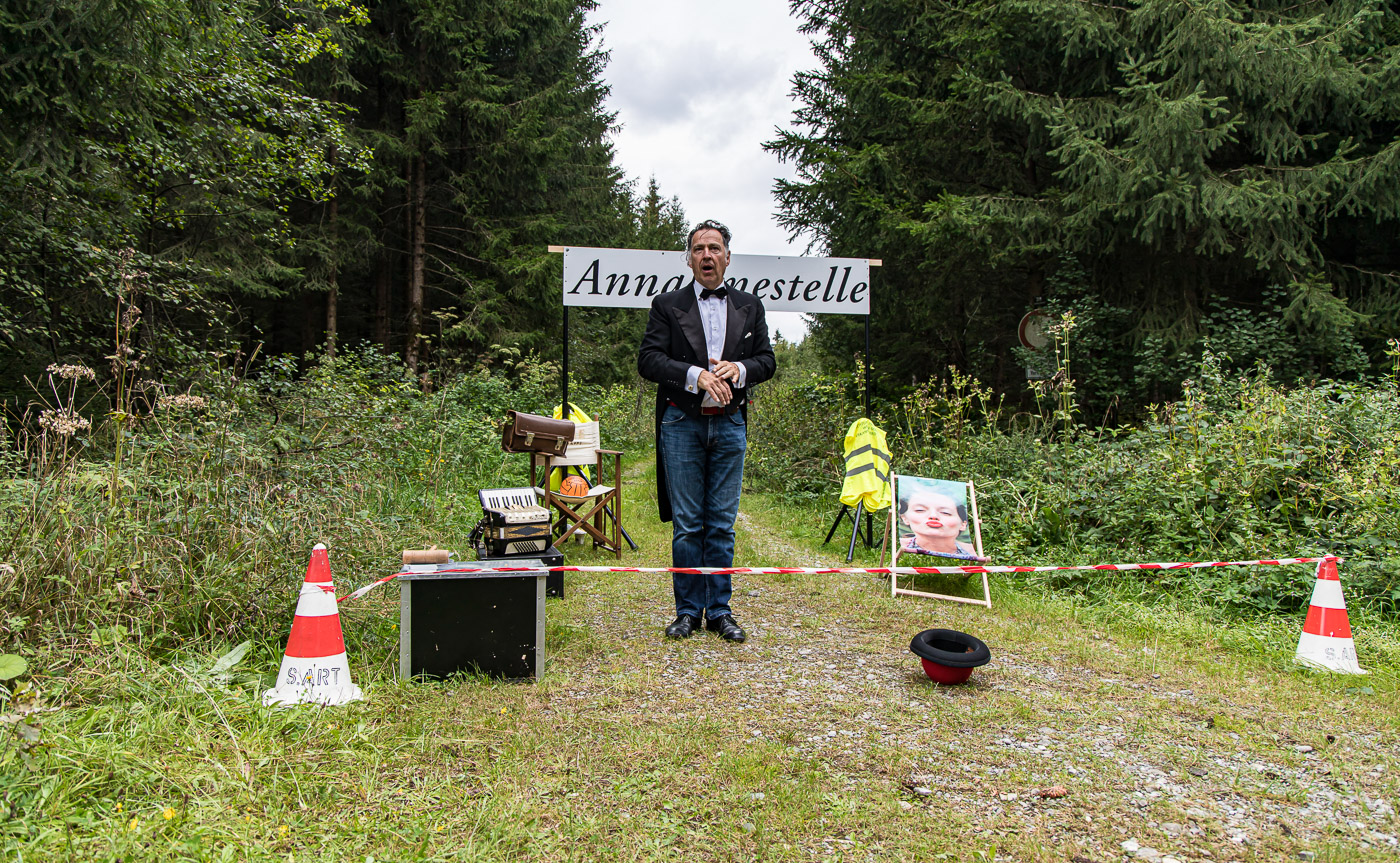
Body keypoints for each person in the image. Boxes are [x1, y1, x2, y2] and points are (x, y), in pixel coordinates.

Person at [637, 220, 776, 642]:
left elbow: (767, 361)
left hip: (730, 423)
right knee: (687, 524)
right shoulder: (667, 304)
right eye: (699, 249)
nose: (707, 255)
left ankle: (719, 611)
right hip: (681, 422)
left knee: (721, 524)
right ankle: (686, 613)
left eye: (714, 248)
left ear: (727, 257)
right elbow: (648, 360)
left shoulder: (750, 305)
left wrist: (742, 368)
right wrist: (694, 375)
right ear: (689, 259)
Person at [898, 489, 980, 560]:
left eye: (945, 512)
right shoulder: (903, 546)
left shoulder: (969, 552)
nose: (933, 516)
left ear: (963, 524)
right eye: (920, 510)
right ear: (905, 518)